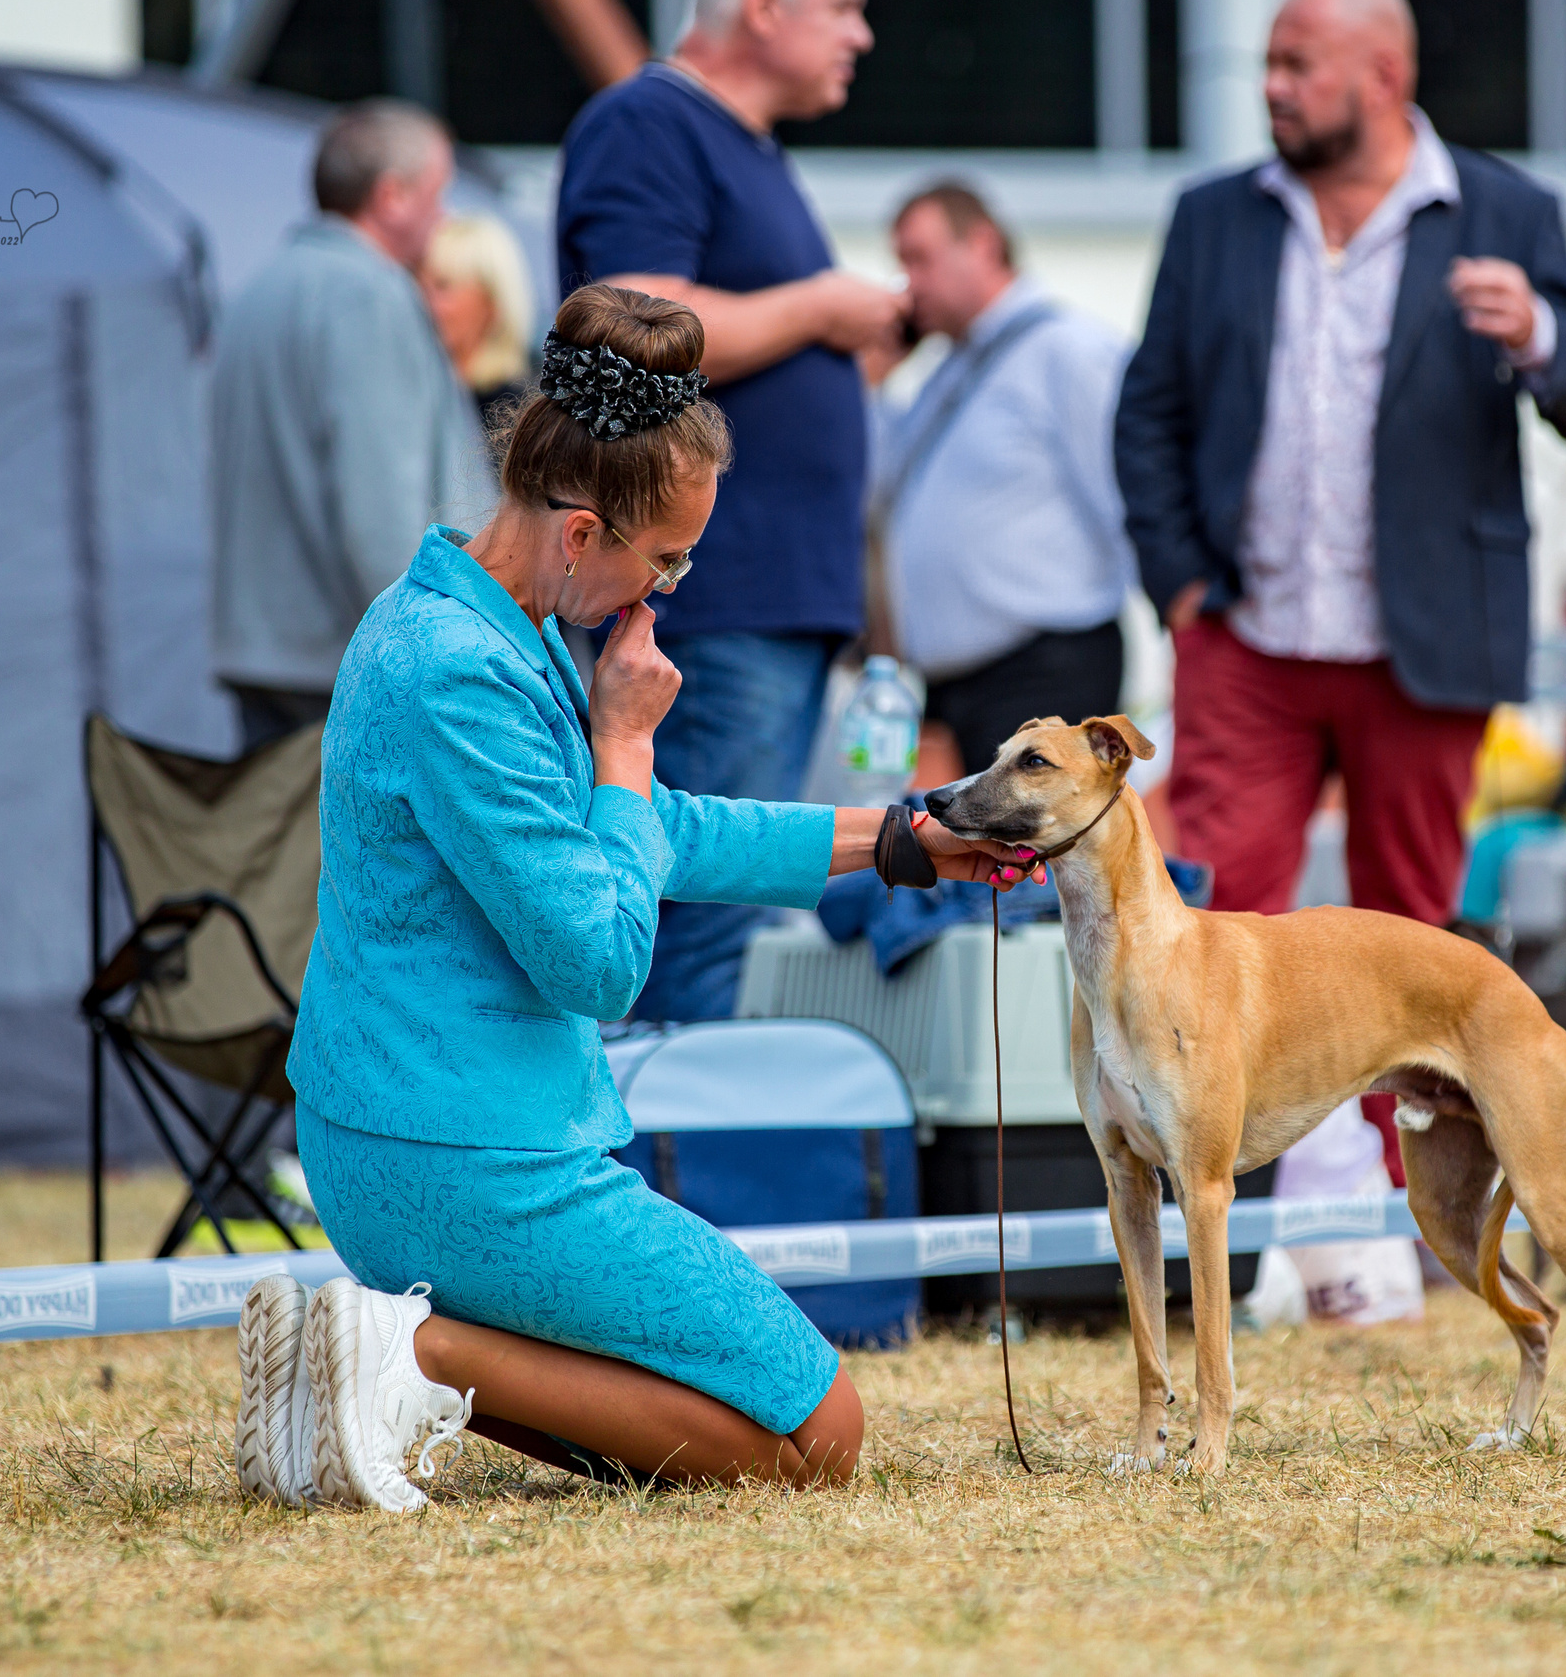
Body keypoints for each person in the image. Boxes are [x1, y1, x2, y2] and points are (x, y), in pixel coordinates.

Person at [242, 287, 1030, 1509]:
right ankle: (408, 1353)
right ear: (577, 533)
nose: (666, 595)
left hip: (407, 1132)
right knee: (816, 1433)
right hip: (467, 1154)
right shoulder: (464, 674)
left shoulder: (472, 623)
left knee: (740, 1429)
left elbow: (645, 838)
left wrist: (895, 839)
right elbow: (598, 961)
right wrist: (622, 744)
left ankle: (364, 1380)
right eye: (663, 561)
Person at [1115, 0, 1566, 927]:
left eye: (1297, 66)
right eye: (1268, 63)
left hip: (1425, 647)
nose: (1272, 85)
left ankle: (1397, 1091)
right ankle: (1240, 1090)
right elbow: (1147, 411)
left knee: (1405, 942)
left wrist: (1537, 335)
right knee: (1217, 927)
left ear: (1384, 76)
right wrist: (1180, 585)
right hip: (1246, 639)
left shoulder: (1507, 211)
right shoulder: (1211, 217)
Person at [556, 0, 907, 1022]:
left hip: (761, 601)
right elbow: (635, 320)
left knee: (725, 911)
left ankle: (682, 1153)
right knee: (696, 909)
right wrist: (820, 309)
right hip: (718, 605)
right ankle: (660, 1165)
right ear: (764, 7)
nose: (863, 32)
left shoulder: (734, 143)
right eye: (842, 5)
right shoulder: (651, 123)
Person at [212, 101, 490, 753]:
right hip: (353, 656)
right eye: (437, 194)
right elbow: (381, 505)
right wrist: (440, 657)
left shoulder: (259, 291)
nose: (443, 217)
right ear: (392, 195)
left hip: (263, 649)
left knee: (284, 853)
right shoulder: (367, 293)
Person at [862, 182, 1138, 778]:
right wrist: (871, 382)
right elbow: (877, 487)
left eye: (920, 259)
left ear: (982, 244)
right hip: (957, 687)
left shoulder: (1070, 350)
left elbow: (1130, 501)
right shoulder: (949, 370)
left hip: (1046, 671)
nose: (908, 286)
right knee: (978, 868)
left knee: (1036, 869)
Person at [422, 214, 538, 431]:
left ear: (491, 302)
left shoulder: (515, 417)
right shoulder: (424, 390)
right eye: (420, 285)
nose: (425, 302)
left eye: (442, 286)